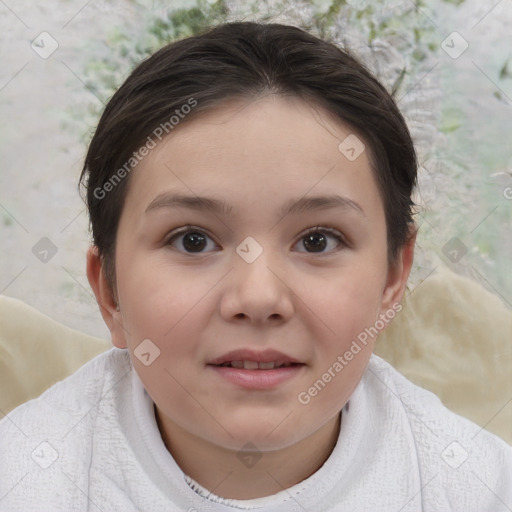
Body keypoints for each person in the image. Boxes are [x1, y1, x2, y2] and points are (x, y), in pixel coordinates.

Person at [1, 21, 511, 511]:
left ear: (393, 278)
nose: (258, 298)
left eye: (317, 240)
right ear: (109, 291)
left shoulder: (477, 489)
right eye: (193, 240)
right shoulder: (25, 482)